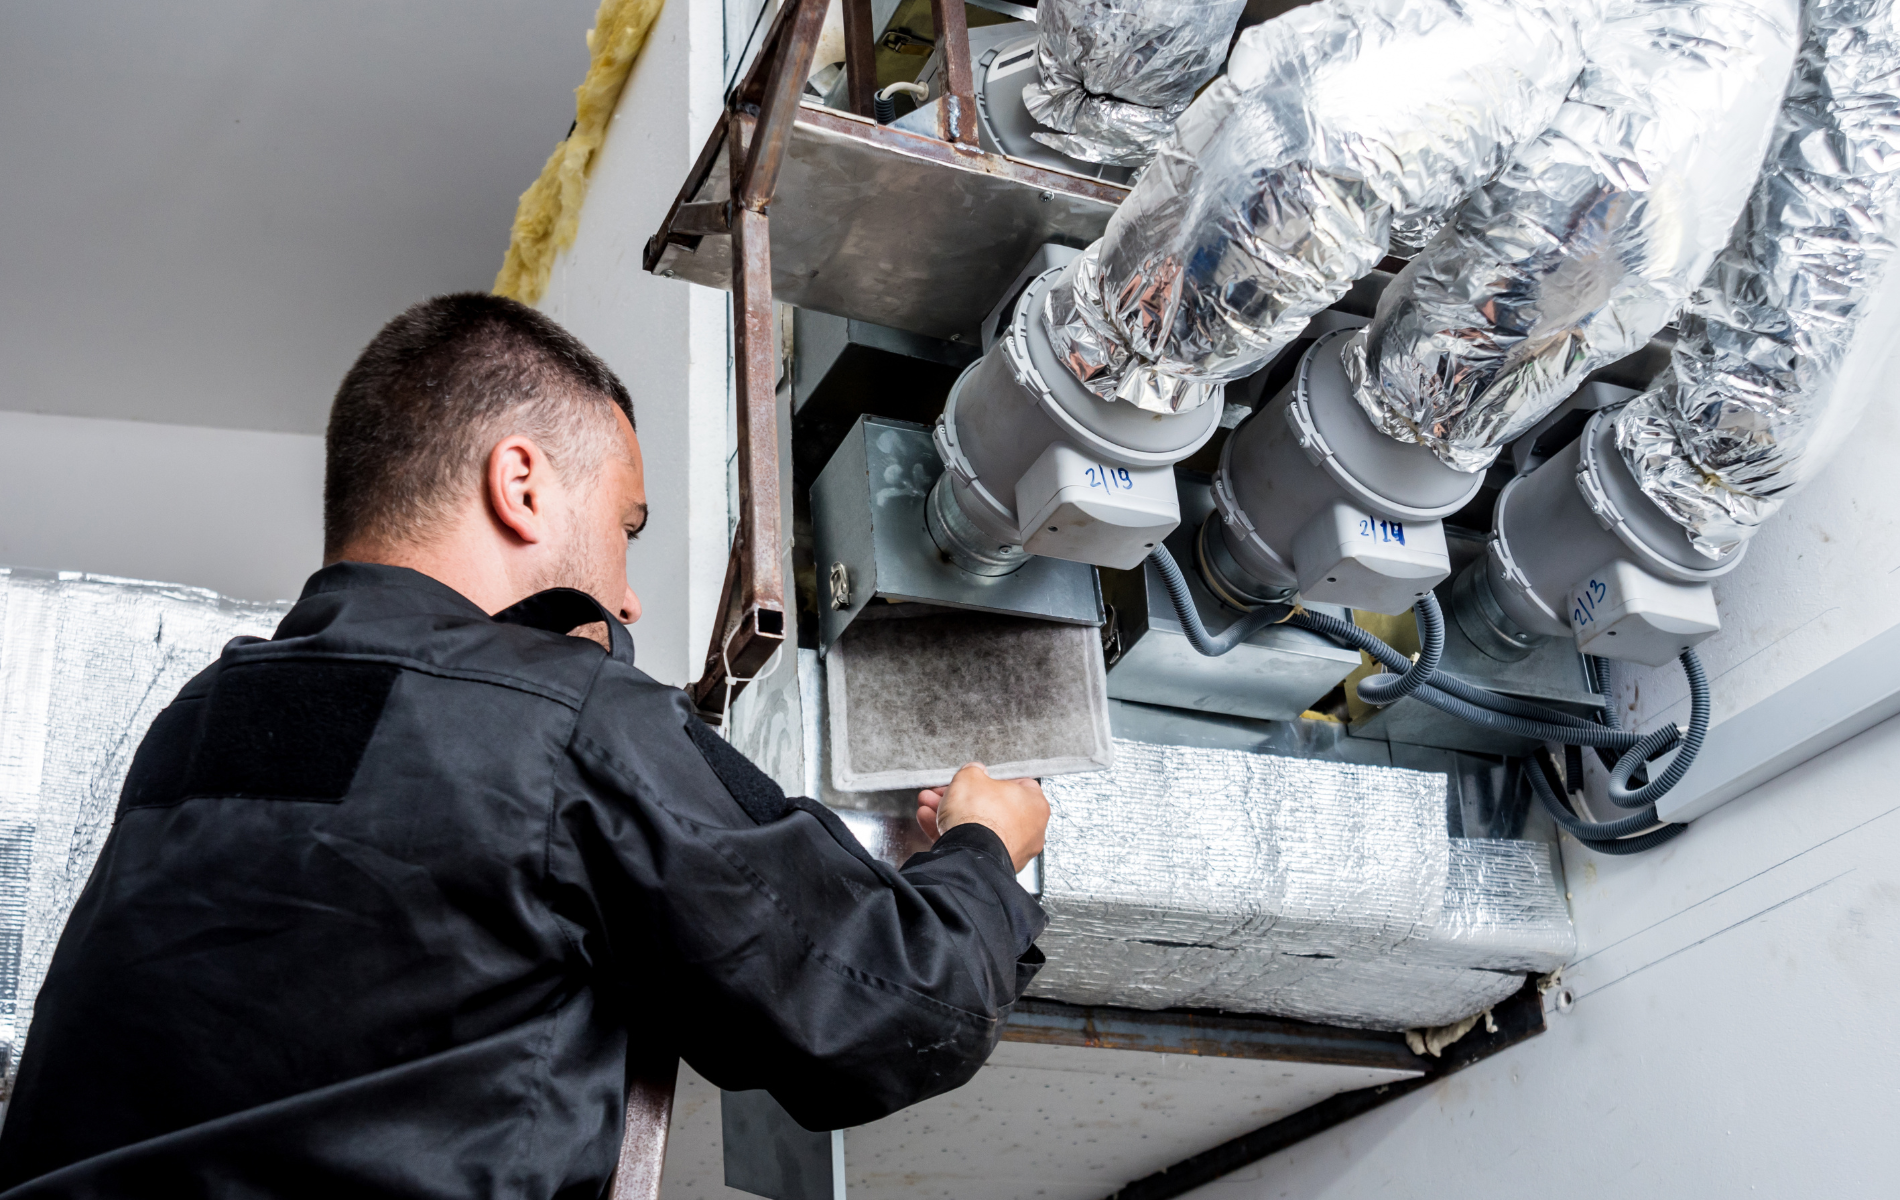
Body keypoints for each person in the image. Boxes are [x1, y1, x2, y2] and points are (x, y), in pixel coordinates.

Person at [0, 293, 1051, 1198]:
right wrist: (985, 852)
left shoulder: (198, 720)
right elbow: (893, 1004)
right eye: (626, 527)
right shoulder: (562, 714)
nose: (628, 591)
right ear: (523, 484)